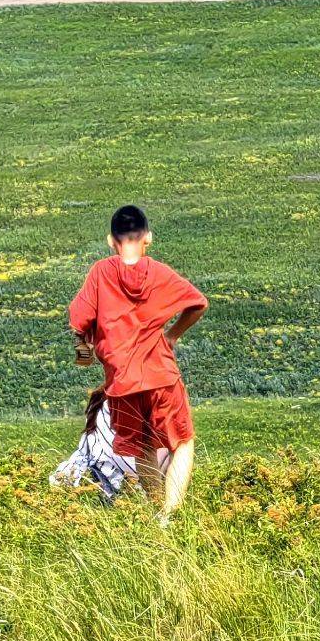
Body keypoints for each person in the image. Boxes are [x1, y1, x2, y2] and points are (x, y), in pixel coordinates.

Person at [68, 204, 208, 516]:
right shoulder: (159, 273)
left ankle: (158, 510)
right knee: (182, 443)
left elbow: (79, 320)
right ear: (148, 238)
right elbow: (198, 303)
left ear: (110, 240)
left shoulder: (101, 273)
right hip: (161, 376)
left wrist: (85, 348)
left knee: (144, 446)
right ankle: (170, 515)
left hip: (121, 383)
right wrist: (172, 335)